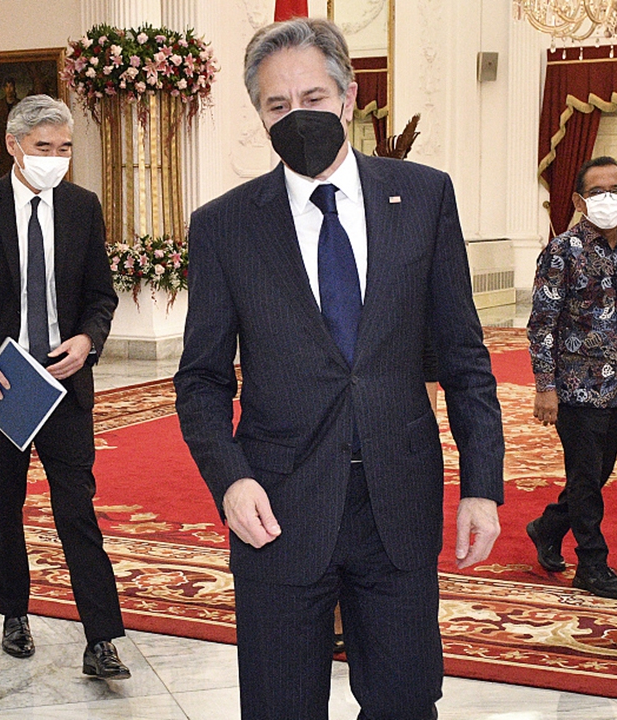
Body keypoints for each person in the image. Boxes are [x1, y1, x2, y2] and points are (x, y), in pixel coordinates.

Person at [173, 19, 505, 720]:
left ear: (351, 98)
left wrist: (482, 486)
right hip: (278, 511)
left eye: (313, 98)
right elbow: (201, 379)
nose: (298, 117)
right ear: (260, 114)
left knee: (405, 702)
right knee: (280, 704)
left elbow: (465, 358)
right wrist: (230, 479)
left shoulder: (423, 198)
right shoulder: (224, 225)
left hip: (398, 504)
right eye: (277, 106)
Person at [0, 94, 130, 679]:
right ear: (15, 146)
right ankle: (14, 614)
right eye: (44, 148)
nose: (55, 159)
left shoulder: (82, 207)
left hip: (64, 382)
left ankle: (101, 638)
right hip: (0, 384)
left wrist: (89, 340)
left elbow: (101, 295)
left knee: (78, 508)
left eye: (65, 148)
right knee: (3, 506)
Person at [526, 156, 617, 601]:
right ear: (579, 200)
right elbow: (541, 324)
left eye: (616, 189)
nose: (608, 198)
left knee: (596, 475)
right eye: (597, 191)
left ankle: (547, 527)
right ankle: (592, 565)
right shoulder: (562, 251)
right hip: (576, 389)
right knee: (584, 479)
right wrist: (545, 387)